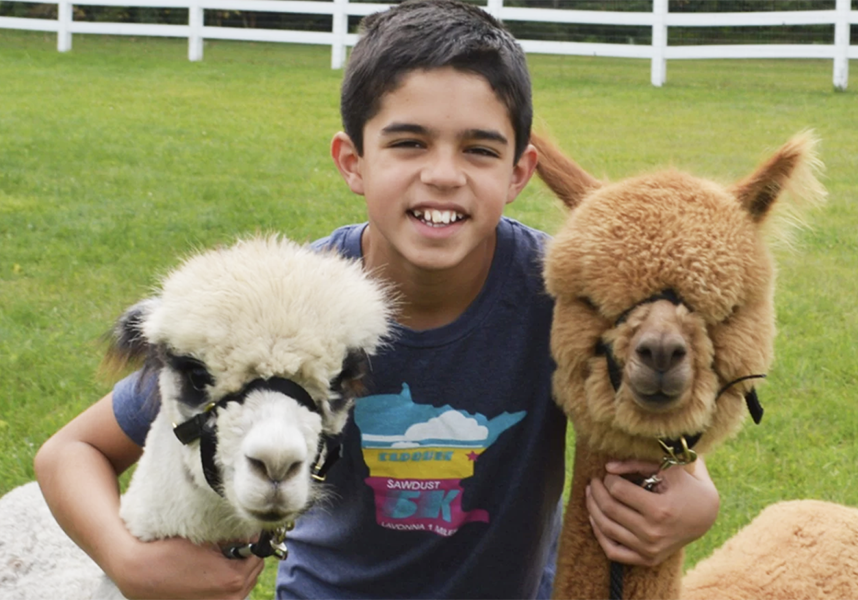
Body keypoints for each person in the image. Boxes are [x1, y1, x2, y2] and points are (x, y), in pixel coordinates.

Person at [34, 1, 720, 599]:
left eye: (479, 150)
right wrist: (124, 558)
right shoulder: (279, 308)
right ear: (352, 161)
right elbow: (72, 452)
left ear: (519, 173)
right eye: (409, 142)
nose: (443, 175)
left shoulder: (559, 294)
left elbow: (648, 426)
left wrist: (698, 496)